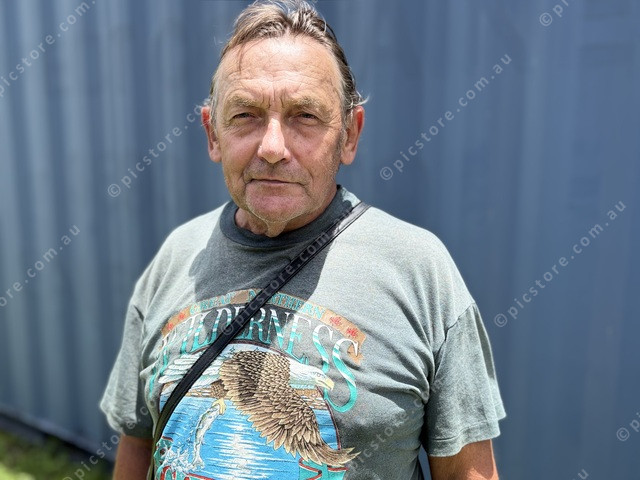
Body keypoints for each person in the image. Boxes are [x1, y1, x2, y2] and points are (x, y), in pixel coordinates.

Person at [100, 1, 506, 479]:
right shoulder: (174, 258)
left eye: (305, 115)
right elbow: (138, 444)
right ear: (212, 134)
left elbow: (467, 472)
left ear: (349, 135)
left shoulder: (420, 273)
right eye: (245, 114)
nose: (273, 147)